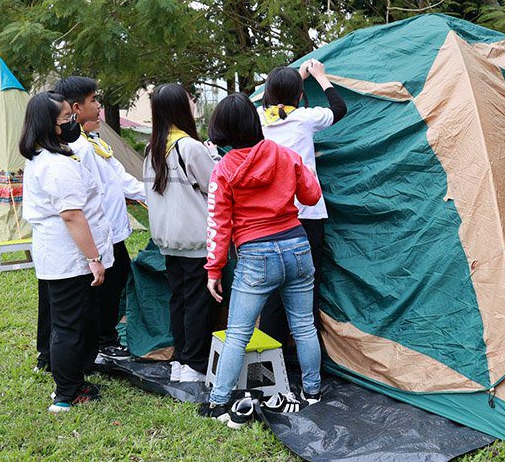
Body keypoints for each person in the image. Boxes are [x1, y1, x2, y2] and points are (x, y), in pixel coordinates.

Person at [197, 94, 323, 428]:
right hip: (297, 246)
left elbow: (218, 224)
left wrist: (214, 269)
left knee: (238, 332)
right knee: (304, 325)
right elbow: (311, 195)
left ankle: (218, 402)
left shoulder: (223, 170)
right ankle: (312, 393)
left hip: (256, 256)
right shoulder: (285, 155)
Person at [20, 92, 114, 412]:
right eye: (65, 119)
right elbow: (72, 215)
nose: (72, 122)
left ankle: (72, 380)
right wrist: (94, 258)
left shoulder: (42, 158)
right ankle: (66, 393)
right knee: (68, 325)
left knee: (70, 322)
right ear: (50, 126)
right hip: (68, 255)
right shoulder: (56, 166)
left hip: (56, 252)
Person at [256, 61, 346, 350]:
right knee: (306, 287)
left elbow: (264, 100)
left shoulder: (258, 118)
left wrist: (294, 78)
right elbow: (339, 108)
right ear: (298, 96)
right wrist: (320, 76)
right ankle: (308, 364)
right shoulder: (306, 117)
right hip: (307, 215)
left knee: (272, 290)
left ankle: (272, 360)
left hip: (270, 218)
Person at [52, 76, 145, 359]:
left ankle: (106, 335)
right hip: (101, 232)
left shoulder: (93, 143)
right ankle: (104, 340)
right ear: (77, 109)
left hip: (114, 230)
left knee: (118, 282)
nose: (99, 105)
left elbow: (121, 178)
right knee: (107, 289)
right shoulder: (78, 148)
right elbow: (91, 197)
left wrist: (152, 195)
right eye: (94, 100)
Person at [143, 83, 217, 382]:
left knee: (179, 300)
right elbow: (215, 186)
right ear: (180, 109)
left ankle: (181, 360)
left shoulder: (153, 149)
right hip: (196, 240)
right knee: (198, 303)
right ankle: (195, 365)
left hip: (168, 241)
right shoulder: (189, 147)